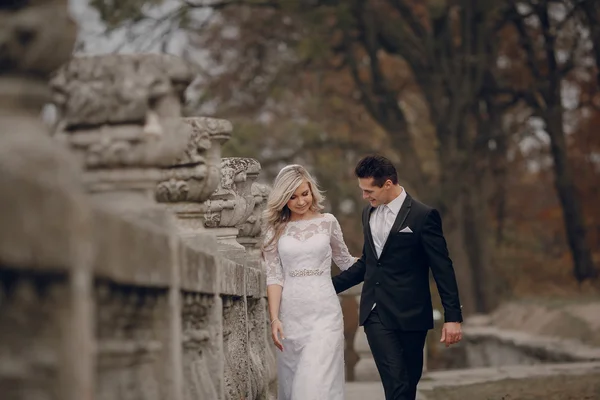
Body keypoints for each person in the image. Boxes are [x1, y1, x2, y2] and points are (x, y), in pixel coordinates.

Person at [332, 155, 463, 400]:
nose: (364, 197)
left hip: (412, 314)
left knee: (407, 387)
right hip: (376, 312)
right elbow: (368, 265)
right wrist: (327, 286)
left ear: (388, 184)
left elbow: (442, 268)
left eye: (369, 190)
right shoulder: (367, 214)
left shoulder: (423, 216)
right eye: (362, 190)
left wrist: (452, 317)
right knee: (397, 382)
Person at [262, 164, 357, 400]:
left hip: (325, 314)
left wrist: (381, 262)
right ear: (283, 199)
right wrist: (274, 318)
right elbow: (274, 276)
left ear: (312, 191)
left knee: (314, 385)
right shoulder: (275, 230)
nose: (301, 201)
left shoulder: (328, 222)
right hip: (291, 317)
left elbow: (345, 261)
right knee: (294, 385)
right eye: (292, 197)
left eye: (305, 193)